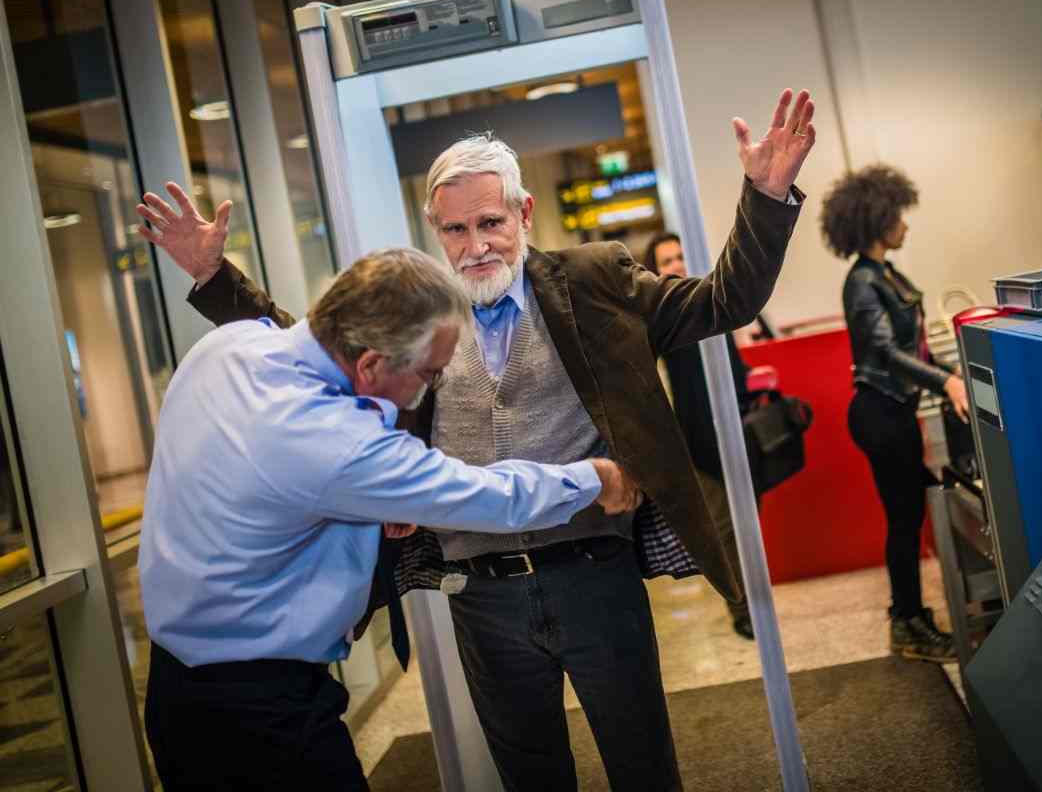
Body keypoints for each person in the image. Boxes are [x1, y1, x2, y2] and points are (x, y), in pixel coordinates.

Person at [149, 86, 816, 791]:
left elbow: (722, 301)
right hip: (482, 595)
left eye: (491, 223)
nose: (475, 248)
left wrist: (766, 197)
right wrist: (213, 277)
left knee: (642, 764)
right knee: (529, 774)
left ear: (525, 213)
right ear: (435, 230)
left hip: (595, 574)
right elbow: (324, 344)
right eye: (455, 231)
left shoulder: (591, 280)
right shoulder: (424, 312)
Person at [135, 243, 642, 791]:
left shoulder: (225, 347)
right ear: (371, 364)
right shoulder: (336, 443)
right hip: (262, 714)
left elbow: (262, 490)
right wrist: (596, 478)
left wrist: (366, 512)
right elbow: (486, 493)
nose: (429, 390)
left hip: (175, 693)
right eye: (431, 373)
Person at [819, 164, 968, 663]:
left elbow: (915, 348)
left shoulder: (884, 274)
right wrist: (946, 381)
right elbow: (885, 353)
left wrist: (953, 371)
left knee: (912, 511)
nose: (905, 224)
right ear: (877, 220)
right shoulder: (862, 282)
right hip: (879, 414)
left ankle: (910, 616)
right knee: (904, 519)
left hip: (893, 410)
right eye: (898, 216)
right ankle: (907, 624)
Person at [645, 232, 757, 640]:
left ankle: (754, 599)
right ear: (654, 270)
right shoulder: (659, 320)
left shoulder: (711, 304)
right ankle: (741, 607)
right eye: (666, 260)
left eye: (679, 256)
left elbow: (734, 365)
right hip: (695, 445)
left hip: (733, 434)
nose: (674, 265)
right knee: (724, 527)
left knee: (747, 522)